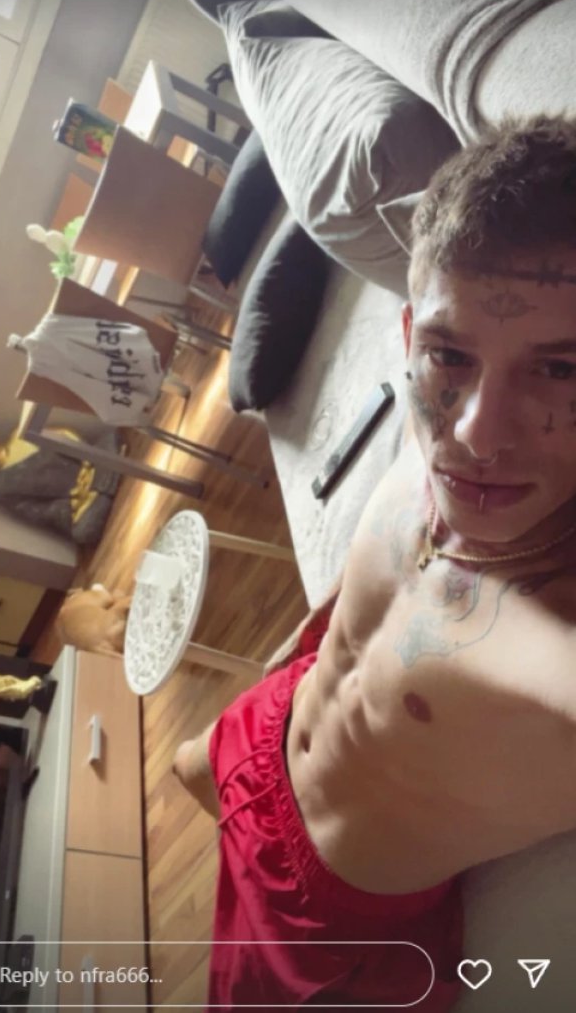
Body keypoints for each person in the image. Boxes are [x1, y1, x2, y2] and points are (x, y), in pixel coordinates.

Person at [172, 116, 576, 1011]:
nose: (475, 433)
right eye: (449, 355)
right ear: (408, 337)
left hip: (326, 922)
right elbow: (373, 579)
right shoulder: (426, 437)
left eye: (559, 369)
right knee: (183, 764)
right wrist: (298, 647)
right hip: (271, 727)